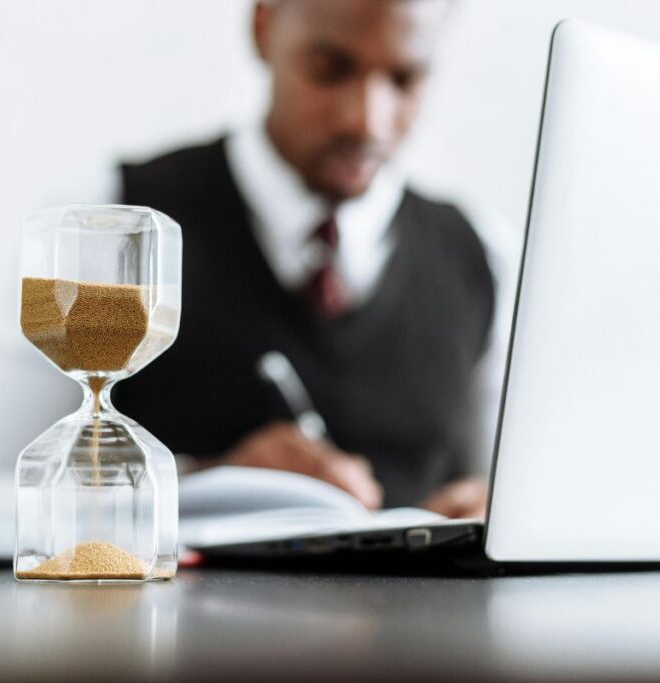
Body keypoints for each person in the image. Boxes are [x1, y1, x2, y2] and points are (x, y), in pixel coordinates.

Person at [115, 0, 515, 519]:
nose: (366, 121)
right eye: (329, 69)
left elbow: (504, 492)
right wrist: (205, 485)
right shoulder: (120, 224)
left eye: (405, 79)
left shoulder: (483, 252)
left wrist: (490, 508)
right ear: (263, 26)